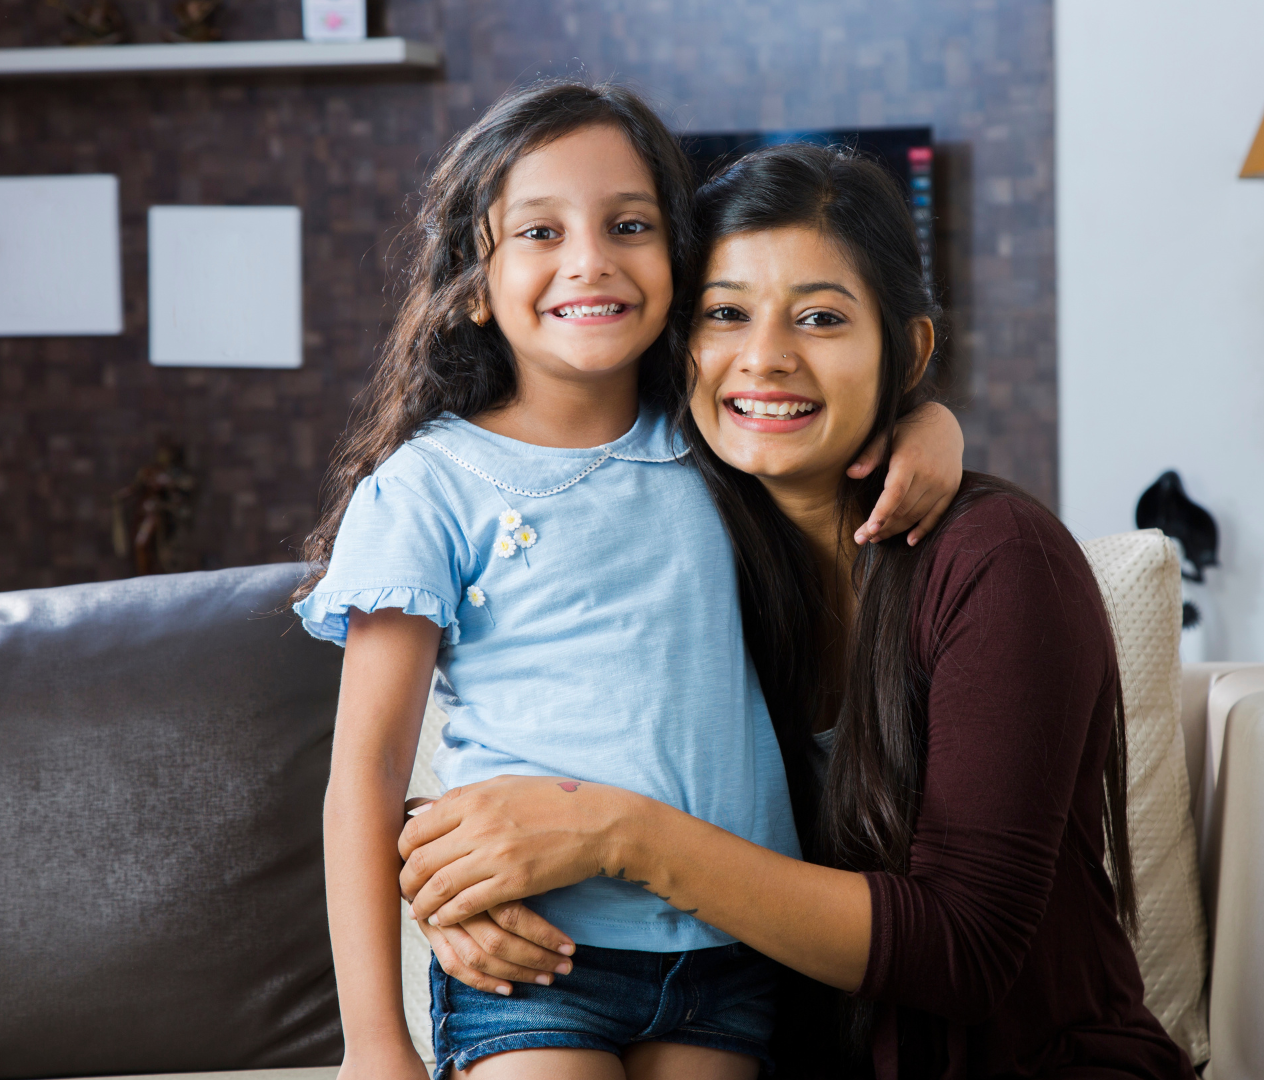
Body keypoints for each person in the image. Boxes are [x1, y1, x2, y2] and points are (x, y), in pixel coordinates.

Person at [397, 142, 1200, 1080]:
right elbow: (553, 717)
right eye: (726, 315)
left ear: (910, 350)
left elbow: (966, 948)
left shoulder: (1000, 562)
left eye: (821, 318)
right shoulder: (689, 543)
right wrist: (457, 866)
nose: (765, 359)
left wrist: (621, 836)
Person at [292, 84, 968, 1080]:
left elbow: (826, 423)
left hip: (732, 952)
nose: (590, 259)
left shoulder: (713, 442)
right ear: (475, 284)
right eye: (539, 230)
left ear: (679, 263)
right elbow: (368, 773)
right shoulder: (429, 488)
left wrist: (930, 426)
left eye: (630, 224)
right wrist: (374, 1043)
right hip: (537, 957)